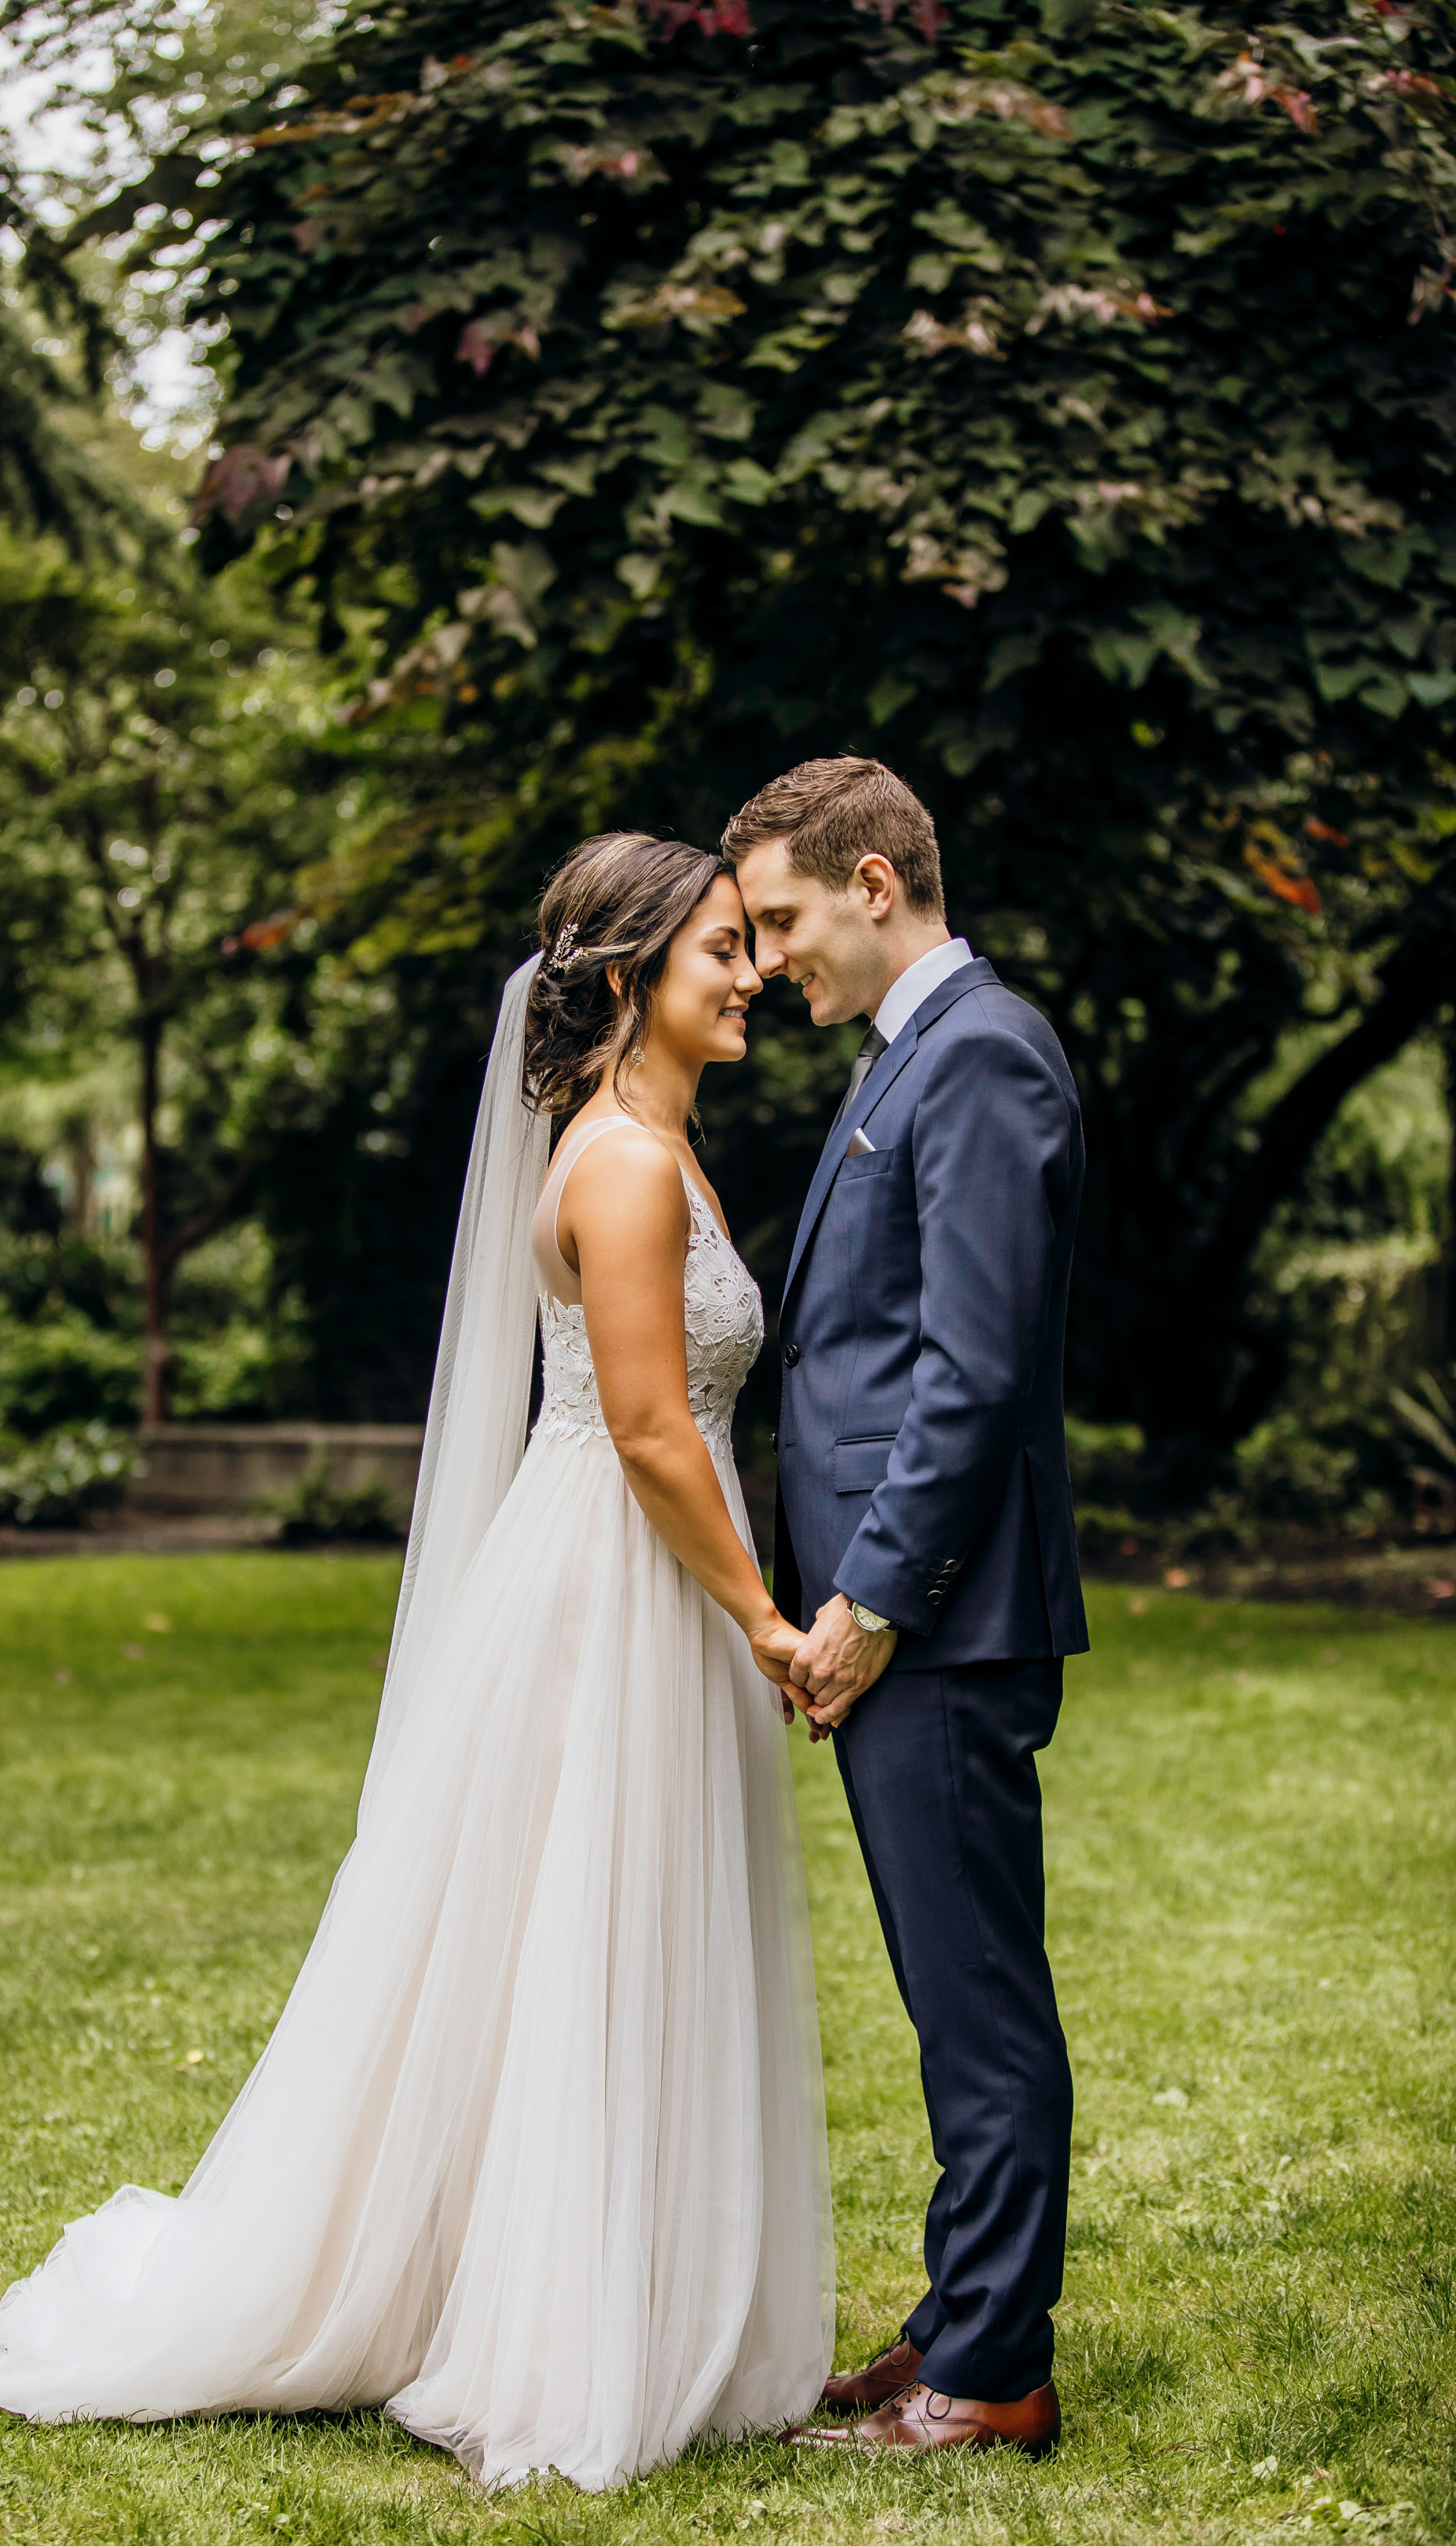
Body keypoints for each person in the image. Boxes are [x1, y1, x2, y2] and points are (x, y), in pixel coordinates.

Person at [0, 832, 834, 2490]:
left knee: (593, 1928)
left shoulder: (652, 1144)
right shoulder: (627, 1167)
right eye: (721, 948)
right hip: (621, 1578)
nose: (753, 972)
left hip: (647, 1569)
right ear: (632, 978)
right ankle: (557, 2333)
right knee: (587, 1925)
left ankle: (598, 2282)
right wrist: (767, 1620)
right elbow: (645, 1426)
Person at [728, 758, 1087, 2461]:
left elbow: (975, 1364)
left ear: (878, 885)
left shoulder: (984, 1053)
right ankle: (956, 2320)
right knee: (952, 1989)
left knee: (978, 1999)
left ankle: (995, 2372)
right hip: (915, 1618)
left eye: (785, 918)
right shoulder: (909, 1061)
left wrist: (866, 1598)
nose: (771, 953)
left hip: (943, 1617)